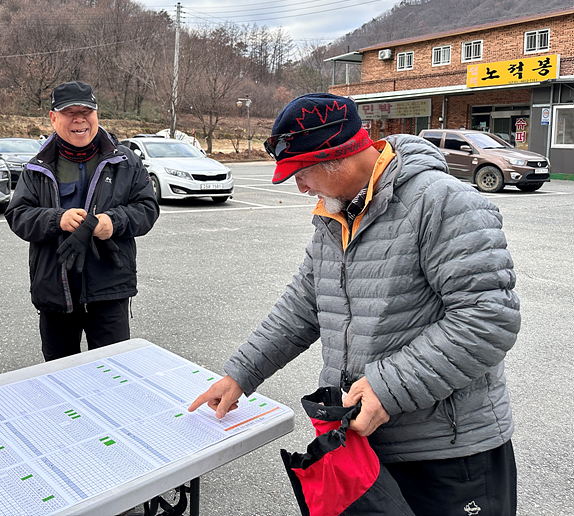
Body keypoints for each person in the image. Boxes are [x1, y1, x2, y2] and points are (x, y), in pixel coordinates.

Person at [189, 93, 520, 516]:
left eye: (302, 173)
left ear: (339, 158)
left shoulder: (443, 202)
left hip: (449, 452)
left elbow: (489, 318)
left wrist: (386, 387)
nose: (300, 187)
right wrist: (241, 374)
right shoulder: (337, 213)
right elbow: (303, 304)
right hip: (365, 439)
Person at [6, 81, 159, 361]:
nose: (79, 119)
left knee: (114, 370)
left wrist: (113, 221)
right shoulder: (38, 165)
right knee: (59, 372)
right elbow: (17, 215)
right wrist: (57, 219)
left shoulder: (125, 161)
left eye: (86, 111)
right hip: (55, 290)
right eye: (69, 112)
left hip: (110, 289)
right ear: (53, 118)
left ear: (97, 114)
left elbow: (147, 208)